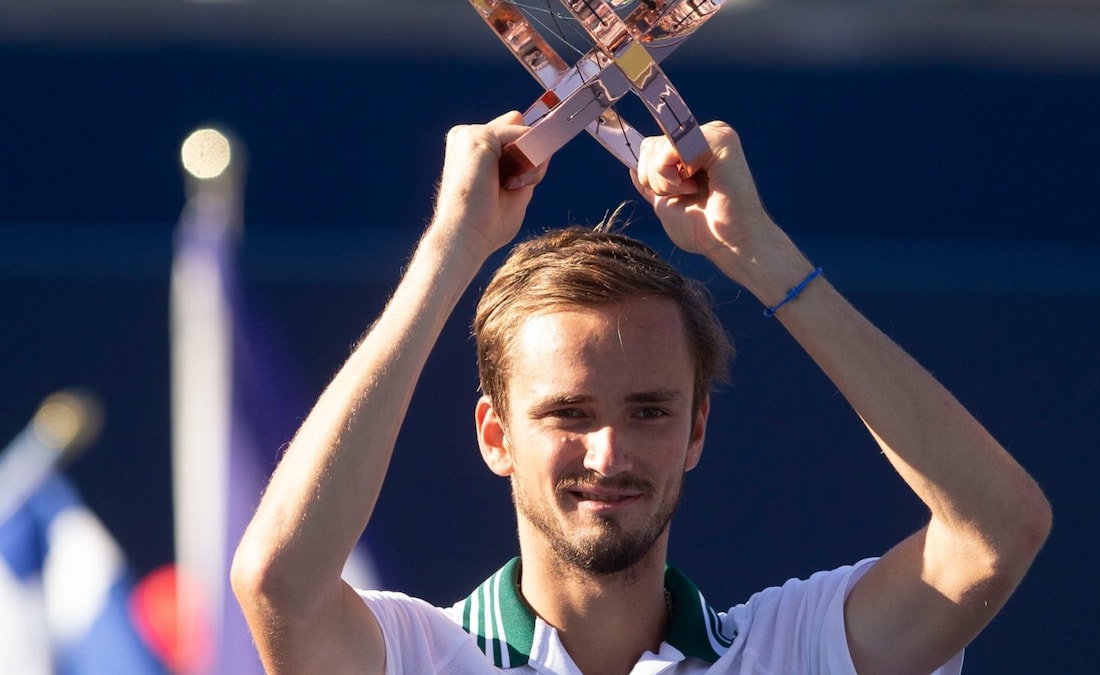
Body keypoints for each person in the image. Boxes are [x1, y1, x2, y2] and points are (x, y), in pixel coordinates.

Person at [232, 111, 1052, 675]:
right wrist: (451, 249)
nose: (611, 452)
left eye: (649, 410)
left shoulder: (790, 648)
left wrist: (756, 251)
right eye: (568, 413)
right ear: (495, 435)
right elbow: (277, 583)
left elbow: (996, 529)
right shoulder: (417, 652)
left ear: (697, 430)